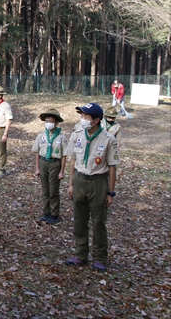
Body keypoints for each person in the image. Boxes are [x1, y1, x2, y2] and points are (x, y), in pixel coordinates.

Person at [65, 103, 120, 273]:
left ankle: (99, 258)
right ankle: (81, 255)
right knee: (79, 222)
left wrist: (110, 192)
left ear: (96, 120)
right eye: (82, 116)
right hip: (80, 180)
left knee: (98, 222)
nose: (83, 120)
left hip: (98, 182)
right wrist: (71, 183)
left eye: (86, 117)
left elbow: (112, 166)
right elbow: (73, 160)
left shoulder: (108, 139)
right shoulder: (77, 136)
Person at [32, 108, 67, 225]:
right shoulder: (41, 136)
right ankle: (46, 213)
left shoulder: (61, 137)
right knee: (45, 190)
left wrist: (62, 171)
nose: (48, 123)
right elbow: (37, 152)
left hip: (54, 164)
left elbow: (64, 156)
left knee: (53, 191)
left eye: (50, 121)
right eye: (46, 121)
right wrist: (37, 168)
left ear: (56, 122)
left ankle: (54, 214)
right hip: (43, 162)